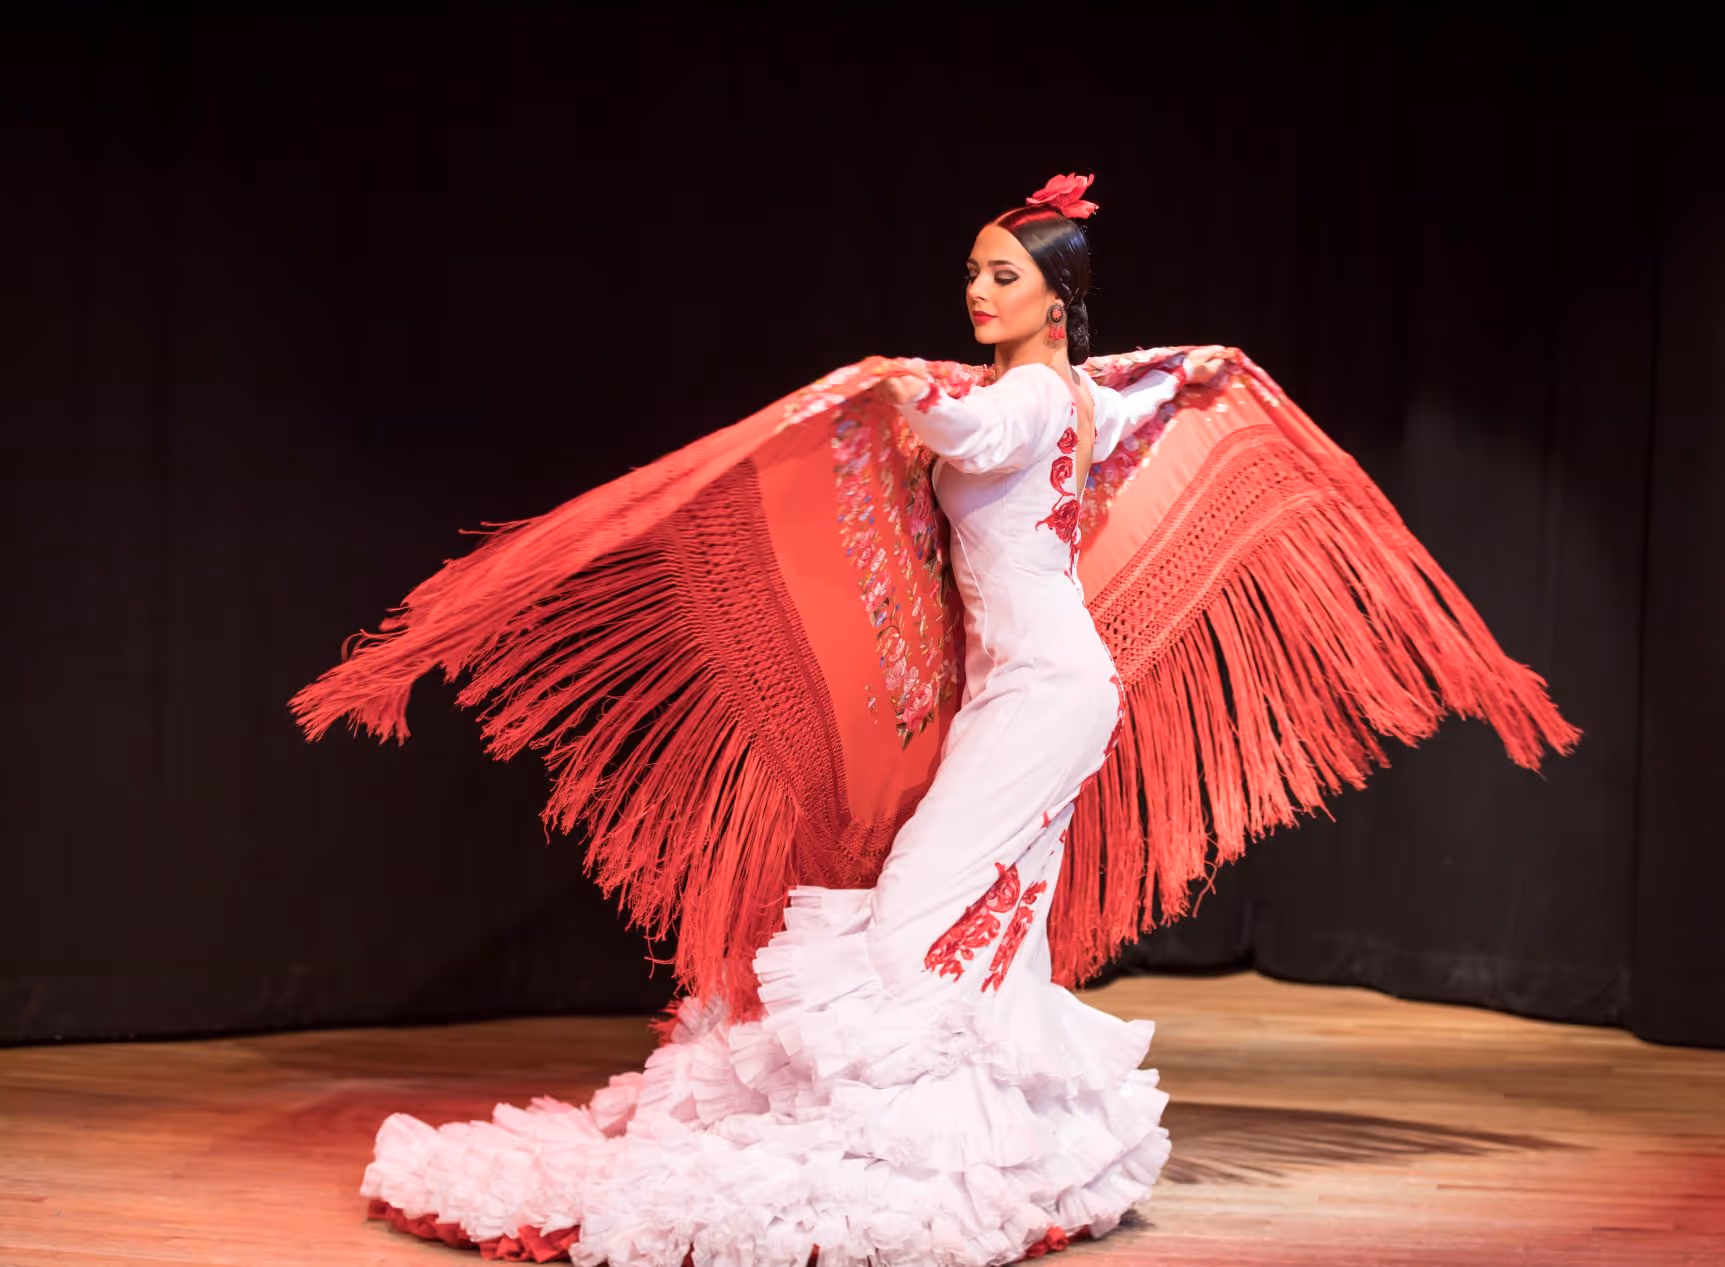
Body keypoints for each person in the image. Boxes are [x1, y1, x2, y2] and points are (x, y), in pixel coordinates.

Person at [359, 175, 1224, 1266]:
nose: (976, 291)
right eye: (969, 271)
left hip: (1046, 689)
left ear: (1057, 298)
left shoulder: (1034, 400)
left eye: (1001, 275)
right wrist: (1186, 373)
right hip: (1036, 686)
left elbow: (975, 424)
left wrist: (898, 390)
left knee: (922, 917)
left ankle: (930, 1150)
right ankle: (1012, 1151)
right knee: (994, 921)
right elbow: (1126, 395)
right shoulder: (1084, 395)